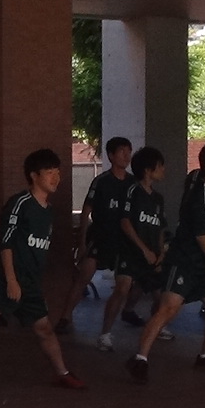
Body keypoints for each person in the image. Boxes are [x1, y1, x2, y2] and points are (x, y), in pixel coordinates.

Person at [0, 148, 86, 407]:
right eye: (49, 172)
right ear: (34, 176)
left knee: (44, 329)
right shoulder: (19, 204)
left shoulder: (48, 210)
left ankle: (63, 373)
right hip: (3, 279)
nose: (56, 178)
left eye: (58, 172)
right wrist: (11, 280)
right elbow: (6, 244)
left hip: (30, 284)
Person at [131, 140, 205, 379]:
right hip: (185, 260)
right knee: (168, 308)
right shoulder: (199, 191)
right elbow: (201, 235)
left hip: (202, 263)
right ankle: (140, 359)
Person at [58, 136, 134, 334]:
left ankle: (120, 317)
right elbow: (86, 211)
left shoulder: (133, 184)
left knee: (126, 283)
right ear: (111, 155)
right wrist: (82, 241)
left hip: (123, 241)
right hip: (100, 237)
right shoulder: (101, 182)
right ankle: (65, 317)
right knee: (84, 276)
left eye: (129, 152)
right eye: (122, 151)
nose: (126, 156)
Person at [96, 146, 169, 351]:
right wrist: (143, 249)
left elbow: (160, 228)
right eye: (160, 166)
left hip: (152, 255)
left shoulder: (158, 199)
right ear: (148, 170)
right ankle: (105, 334)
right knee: (122, 288)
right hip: (130, 252)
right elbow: (125, 222)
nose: (163, 170)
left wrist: (160, 252)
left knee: (161, 296)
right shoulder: (132, 191)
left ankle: (157, 326)